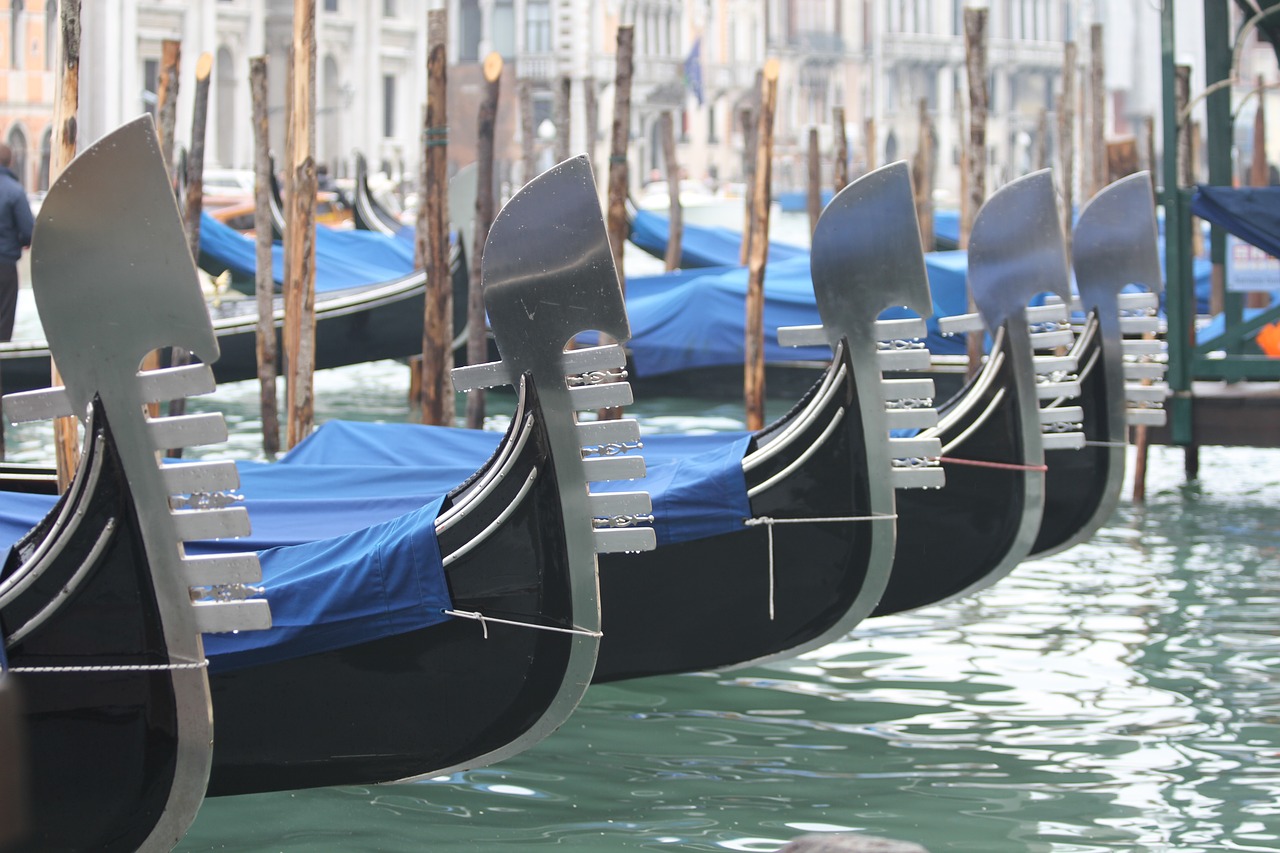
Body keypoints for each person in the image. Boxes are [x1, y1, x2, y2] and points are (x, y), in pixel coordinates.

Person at [0, 143, 33, 342]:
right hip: (5, 266)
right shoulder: (15, 191)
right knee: (3, 320)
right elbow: (29, 231)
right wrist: (22, 241)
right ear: (11, 162)